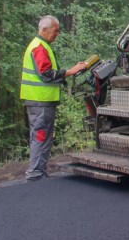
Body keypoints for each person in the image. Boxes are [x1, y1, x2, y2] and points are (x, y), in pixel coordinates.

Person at [20, 16, 88, 180]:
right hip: (40, 101)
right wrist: (70, 71)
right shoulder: (39, 47)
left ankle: (40, 172)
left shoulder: (40, 46)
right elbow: (46, 74)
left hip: (40, 101)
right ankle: (36, 174)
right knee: (40, 136)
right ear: (44, 30)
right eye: (55, 31)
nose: (57, 34)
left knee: (41, 135)